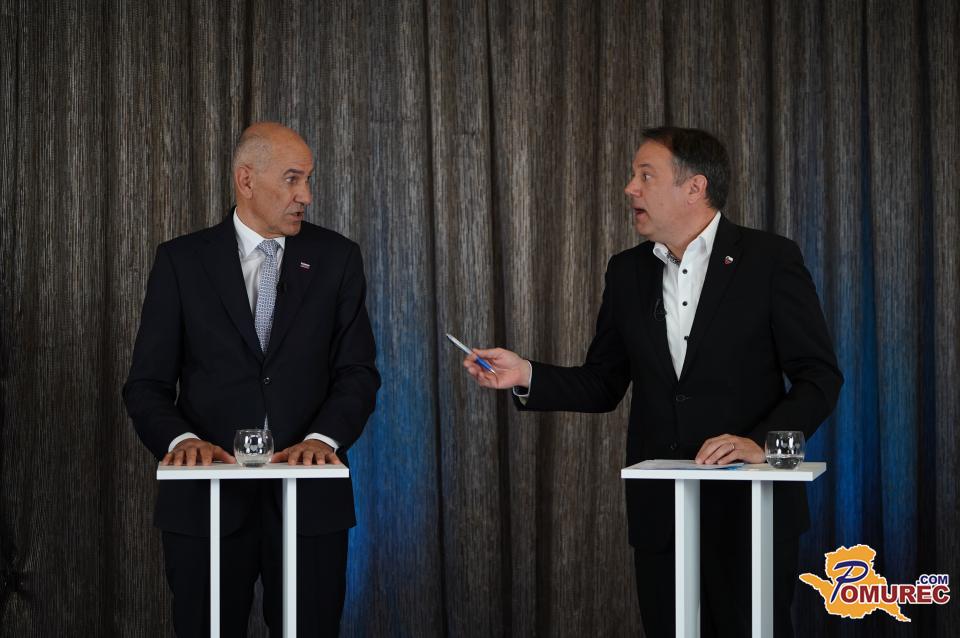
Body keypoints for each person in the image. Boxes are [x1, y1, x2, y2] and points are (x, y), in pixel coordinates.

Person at [463, 127, 842, 637]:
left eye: (645, 176)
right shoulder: (627, 271)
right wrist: (525, 373)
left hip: (751, 513)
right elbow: (603, 383)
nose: (630, 188)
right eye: (632, 176)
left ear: (695, 187)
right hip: (662, 515)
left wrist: (763, 444)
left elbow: (819, 377)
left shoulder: (770, 259)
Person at [124, 122, 380, 637]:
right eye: (292, 179)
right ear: (246, 180)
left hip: (309, 507)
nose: (305, 196)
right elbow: (146, 385)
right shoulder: (181, 261)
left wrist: (321, 440)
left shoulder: (337, 258)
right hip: (205, 506)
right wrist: (182, 441)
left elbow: (357, 373)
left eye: (308, 179)